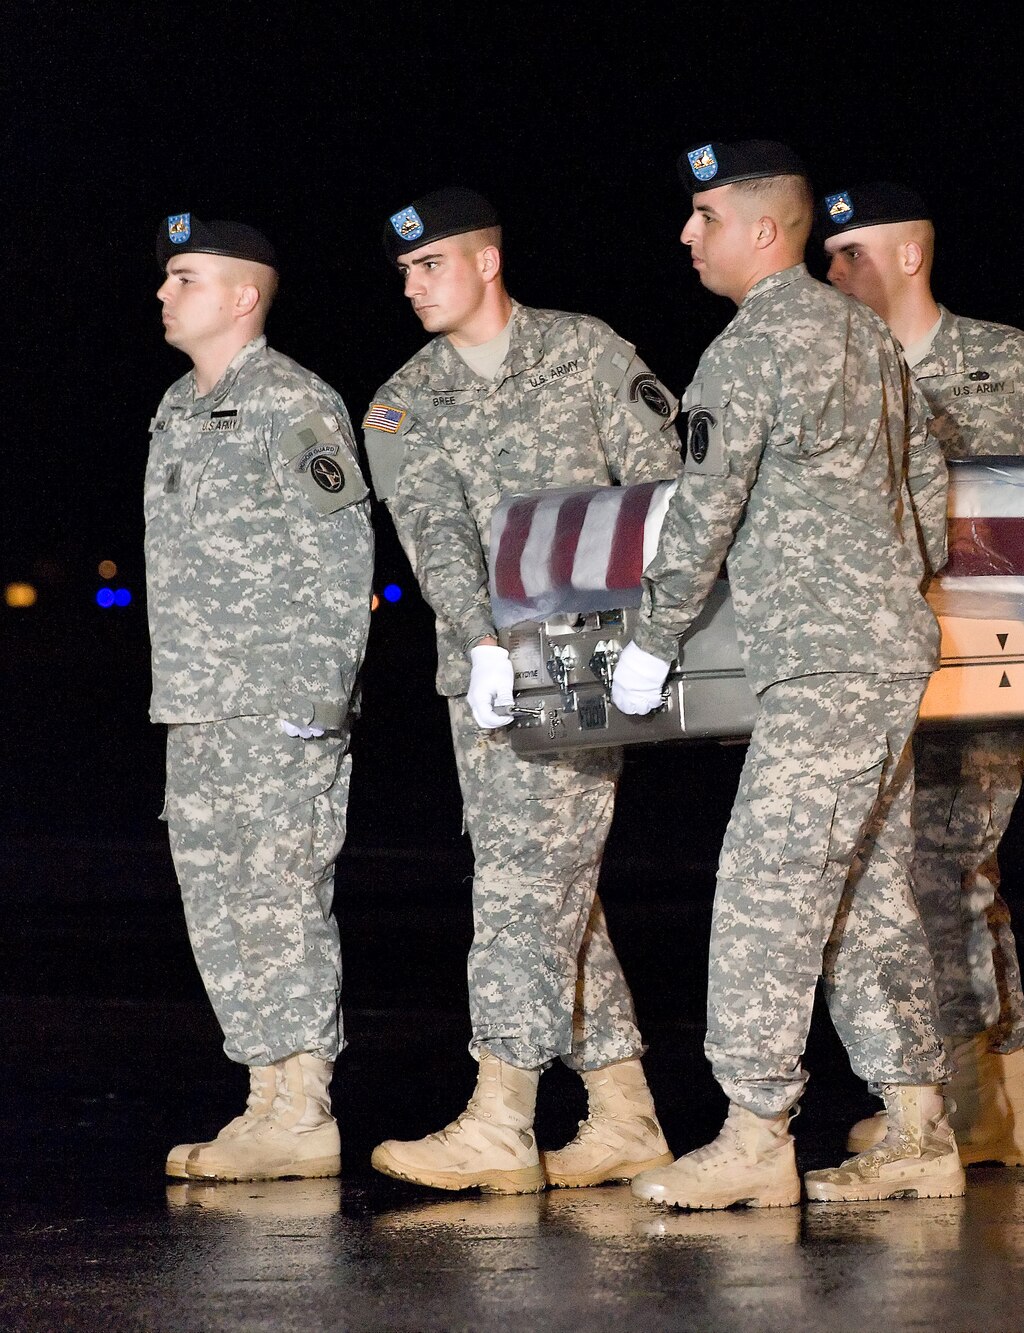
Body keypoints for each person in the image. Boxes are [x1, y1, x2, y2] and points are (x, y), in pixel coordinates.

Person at [610, 140, 960, 1209]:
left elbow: (702, 508)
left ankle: (756, 1128)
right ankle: (918, 1128)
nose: (686, 232)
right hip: (886, 648)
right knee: (863, 894)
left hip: (820, 662)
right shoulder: (868, 340)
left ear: (764, 230)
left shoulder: (750, 348)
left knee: (767, 884)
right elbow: (931, 496)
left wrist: (652, 640)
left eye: (705, 215)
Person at [362, 187, 680, 1194]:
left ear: (487, 263)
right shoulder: (401, 401)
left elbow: (664, 486)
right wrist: (480, 636)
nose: (412, 286)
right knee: (547, 881)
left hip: (591, 668)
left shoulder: (586, 353)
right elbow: (435, 532)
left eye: (431, 266)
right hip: (490, 679)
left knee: (523, 883)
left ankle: (502, 1116)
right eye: (404, 272)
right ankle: (626, 1112)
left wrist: (657, 630)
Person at [821, 179, 1024, 1167]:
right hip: (866, 667)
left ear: (908, 254)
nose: (831, 270)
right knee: (913, 880)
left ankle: (978, 1094)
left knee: (944, 872)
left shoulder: (1005, 364)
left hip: (982, 667)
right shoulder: (830, 368)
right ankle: (994, 1096)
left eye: (850, 250)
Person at [147, 214, 373, 1180]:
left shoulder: (293, 402)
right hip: (197, 702)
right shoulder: (175, 407)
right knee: (218, 903)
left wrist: (318, 697)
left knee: (283, 896)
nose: (164, 292)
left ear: (242, 296)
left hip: (278, 702)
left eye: (184, 277)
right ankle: (263, 1095)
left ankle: (306, 1104)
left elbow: (341, 551)